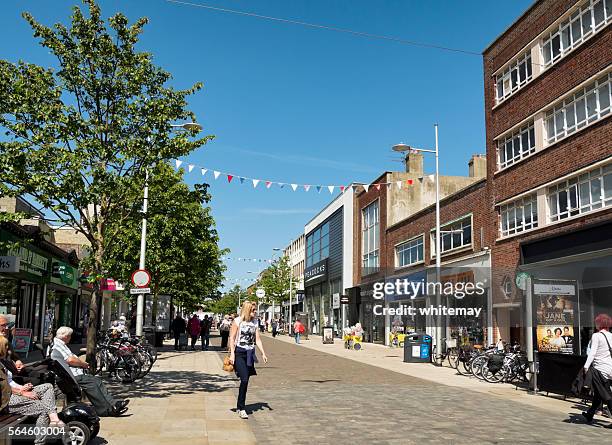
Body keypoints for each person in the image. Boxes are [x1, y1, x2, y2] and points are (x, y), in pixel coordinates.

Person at [50, 326, 129, 417]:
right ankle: (105, 409)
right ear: (66, 336)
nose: (70, 338)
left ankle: (112, 405)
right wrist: (83, 364)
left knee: (96, 381)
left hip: (71, 373)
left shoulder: (59, 344)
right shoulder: (58, 346)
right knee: (92, 382)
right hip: (71, 375)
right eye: (70, 336)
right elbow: (70, 360)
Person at [0, 337, 64, 444]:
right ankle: (40, 442)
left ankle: (54, 419)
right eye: (5, 346)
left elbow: (9, 382)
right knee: (43, 408)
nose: (8, 348)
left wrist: (22, 387)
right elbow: (4, 388)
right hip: (6, 401)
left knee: (47, 386)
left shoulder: (3, 362)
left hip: (12, 393)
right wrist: (22, 392)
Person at [229, 301, 268, 419]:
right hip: (239, 352)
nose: (255, 312)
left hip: (250, 353)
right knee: (244, 379)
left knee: (245, 381)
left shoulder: (255, 322)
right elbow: (232, 338)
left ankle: (240, 406)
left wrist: (263, 353)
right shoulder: (238, 321)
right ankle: (241, 408)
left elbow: (258, 339)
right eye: (253, 310)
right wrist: (232, 354)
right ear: (247, 310)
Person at [582, 314, 612, 425]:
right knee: (599, 393)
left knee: (606, 394)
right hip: (609, 368)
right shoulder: (611, 336)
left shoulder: (596, 336)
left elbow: (592, 353)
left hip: (599, 368)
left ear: (599, 324)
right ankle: (590, 413)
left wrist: (586, 366)